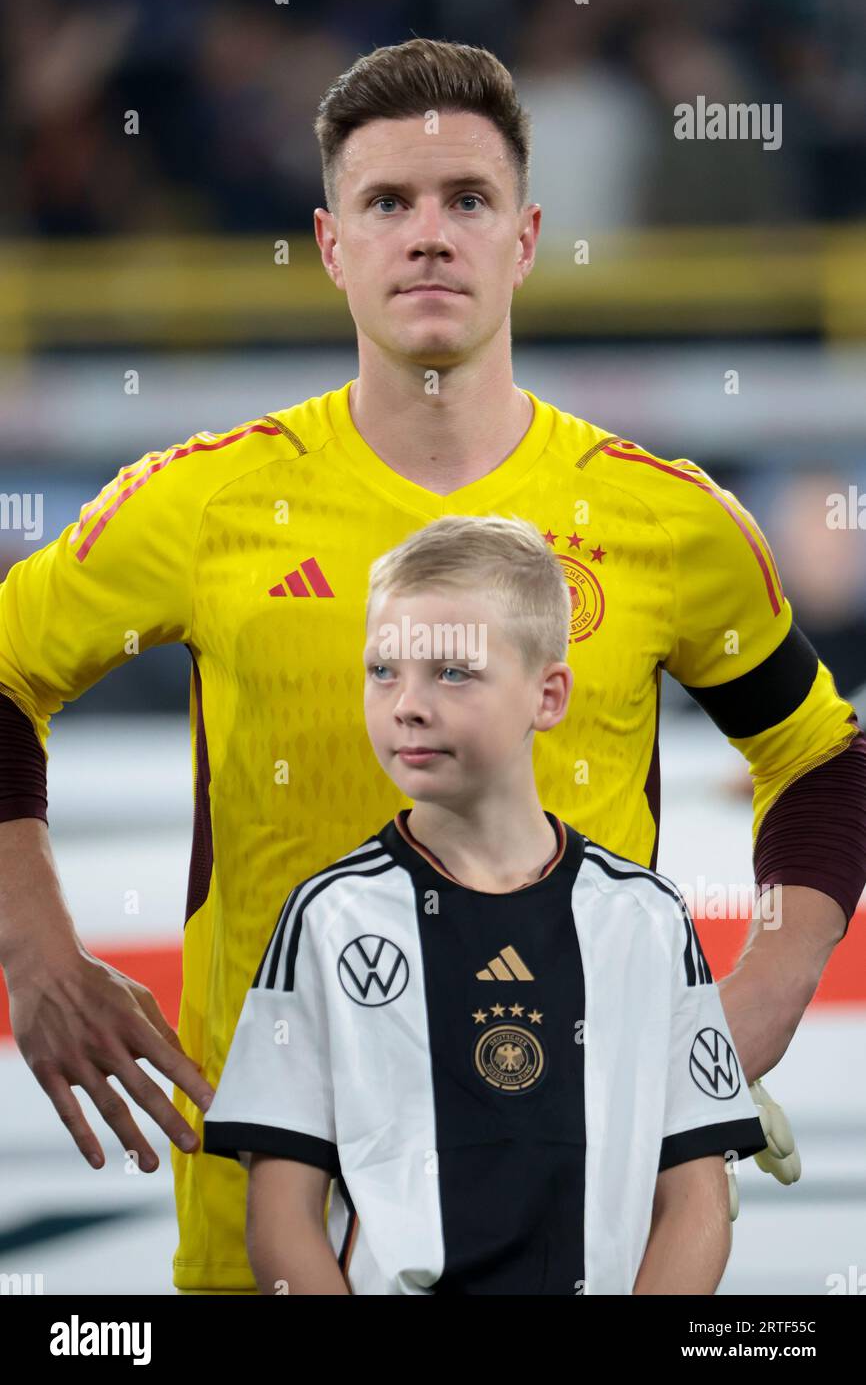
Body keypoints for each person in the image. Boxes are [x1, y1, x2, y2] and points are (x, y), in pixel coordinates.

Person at [0, 37, 863, 1295]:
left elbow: (819, 757)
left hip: (591, 1229)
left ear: (522, 239)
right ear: (330, 241)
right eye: (385, 203)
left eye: (465, 200)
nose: (427, 234)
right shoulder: (202, 504)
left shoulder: (666, 522)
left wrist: (768, 991)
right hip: (271, 1233)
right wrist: (36, 951)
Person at [203, 515, 767, 1295]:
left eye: (453, 673)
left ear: (548, 695)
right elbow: (280, 1211)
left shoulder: (646, 917)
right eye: (382, 671)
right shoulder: (330, 917)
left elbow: (694, 1198)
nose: (407, 704)